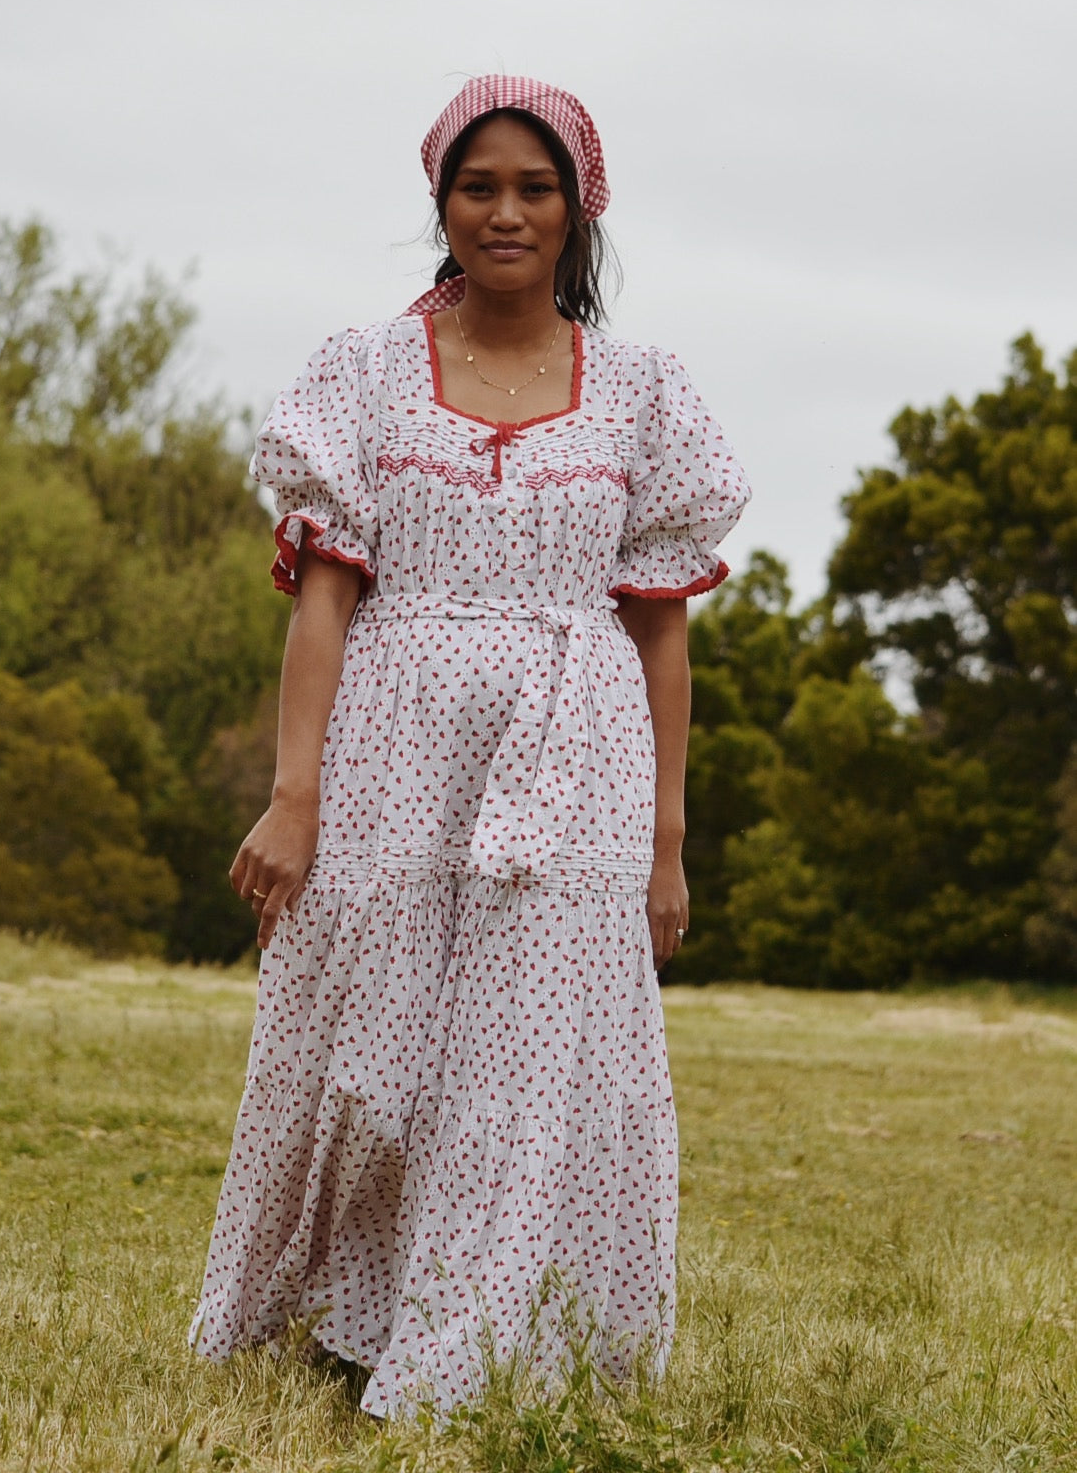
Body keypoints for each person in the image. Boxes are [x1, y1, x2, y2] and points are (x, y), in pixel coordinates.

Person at [189, 74, 750, 1419]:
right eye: (478, 185)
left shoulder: (644, 394)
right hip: (392, 736)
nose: (505, 211)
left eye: (534, 187)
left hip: (578, 756)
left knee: (529, 1054)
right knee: (363, 1031)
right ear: (440, 202)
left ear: (577, 208)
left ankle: (480, 1344)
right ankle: (336, 1314)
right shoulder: (361, 373)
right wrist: (293, 796)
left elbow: (661, 631)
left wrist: (667, 840)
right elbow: (326, 597)